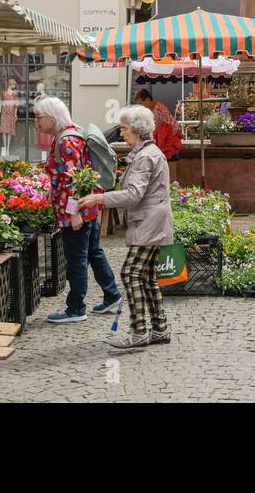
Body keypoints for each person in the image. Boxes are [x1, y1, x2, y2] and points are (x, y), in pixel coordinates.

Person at [78, 105, 175, 352]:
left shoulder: (145, 156)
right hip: (154, 222)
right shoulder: (147, 152)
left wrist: (99, 199)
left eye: (124, 128)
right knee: (147, 276)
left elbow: (133, 195)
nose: (121, 133)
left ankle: (139, 331)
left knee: (131, 274)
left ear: (138, 130)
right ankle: (159, 328)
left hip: (149, 224)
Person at [38, 96, 122, 322]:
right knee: (94, 251)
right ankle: (112, 294)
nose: (36, 122)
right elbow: (69, 175)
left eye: (39, 117)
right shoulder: (73, 132)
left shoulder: (65, 141)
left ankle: (76, 309)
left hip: (76, 212)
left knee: (76, 260)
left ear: (52, 117)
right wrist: (52, 189)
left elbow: (74, 179)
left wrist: (73, 211)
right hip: (89, 207)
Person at [133, 88, 182, 161]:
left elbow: (159, 135)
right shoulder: (155, 107)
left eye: (140, 103)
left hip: (168, 148)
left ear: (147, 100)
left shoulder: (157, 111)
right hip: (168, 147)